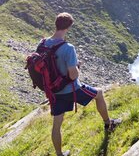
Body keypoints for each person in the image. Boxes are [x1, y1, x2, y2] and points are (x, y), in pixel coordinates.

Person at [41, 12, 121, 156]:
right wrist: (77, 66)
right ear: (68, 27)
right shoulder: (68, 48)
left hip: (55, 91)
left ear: (56, 24)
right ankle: (109, 124)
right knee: (100, 93)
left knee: (57, 123)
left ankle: (59, 154)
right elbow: (73, 75)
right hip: (71, 89)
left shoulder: (43, 44)